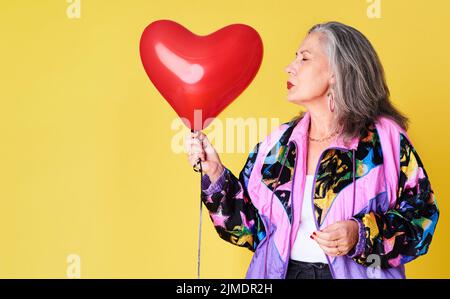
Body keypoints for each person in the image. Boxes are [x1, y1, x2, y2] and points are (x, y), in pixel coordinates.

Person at [185, 21, 439, 279]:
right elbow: (249, 231)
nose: (289, 68)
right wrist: (215, 173)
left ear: (337, 72)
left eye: (304, 58)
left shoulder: (386, 139)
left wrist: (361, 234)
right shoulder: (278, 143)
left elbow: (423, 218)